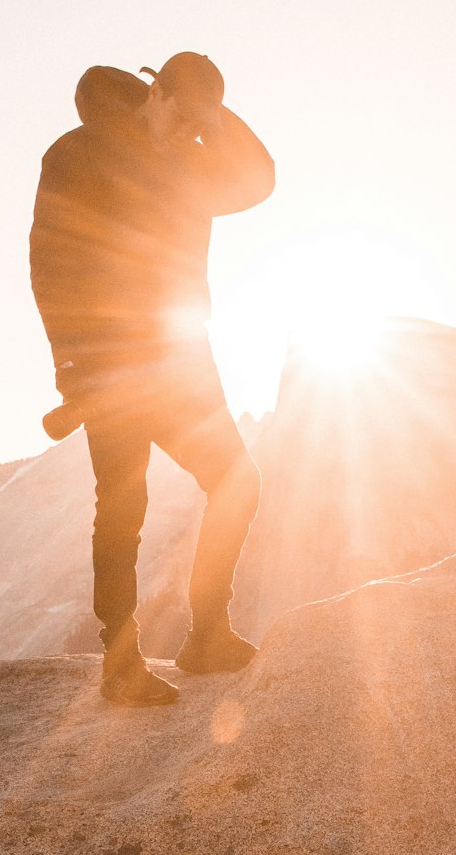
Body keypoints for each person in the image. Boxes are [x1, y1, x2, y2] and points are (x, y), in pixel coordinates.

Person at [30, 53, 275, 706]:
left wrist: (214, 120)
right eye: (185, 113)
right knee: (123, 507)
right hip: (109, 360)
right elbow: (49, 264)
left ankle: (208, 635)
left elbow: (259, 182)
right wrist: (71, 364)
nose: (193, 130)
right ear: (155, 92)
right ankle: (120, 664)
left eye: (204, 121)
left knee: (237, 482)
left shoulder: (192, 162)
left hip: (181, 356)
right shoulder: (78, 154)